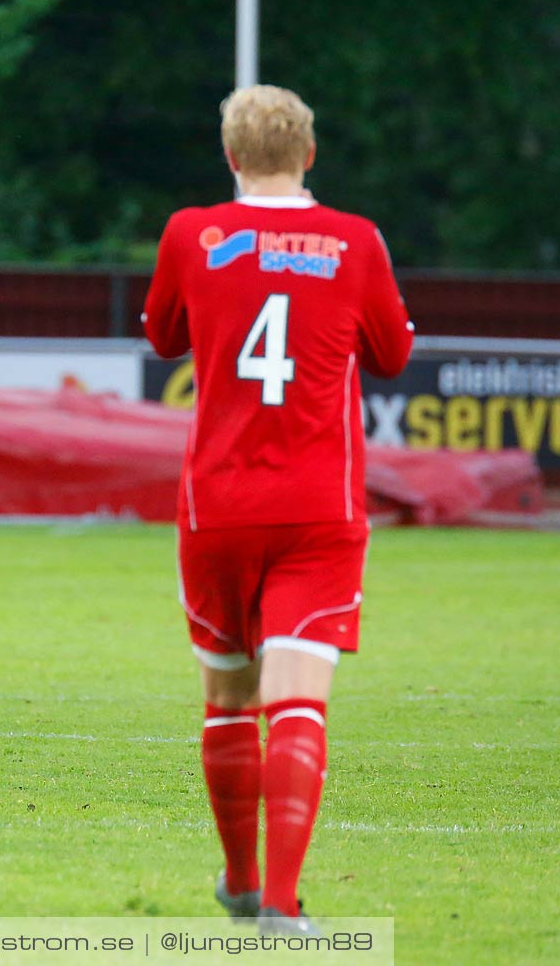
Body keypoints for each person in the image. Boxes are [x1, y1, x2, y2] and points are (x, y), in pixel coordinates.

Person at [141, 85, 413, 933]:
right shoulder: (356, 240)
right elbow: (394, 355)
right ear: (311, 156)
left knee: (228, 700)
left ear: (230, 157)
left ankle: (239, 877)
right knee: (298, 701)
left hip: (216, 504)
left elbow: (162, 336)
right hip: (317, 506)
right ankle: (284, 906)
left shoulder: (193, 232)